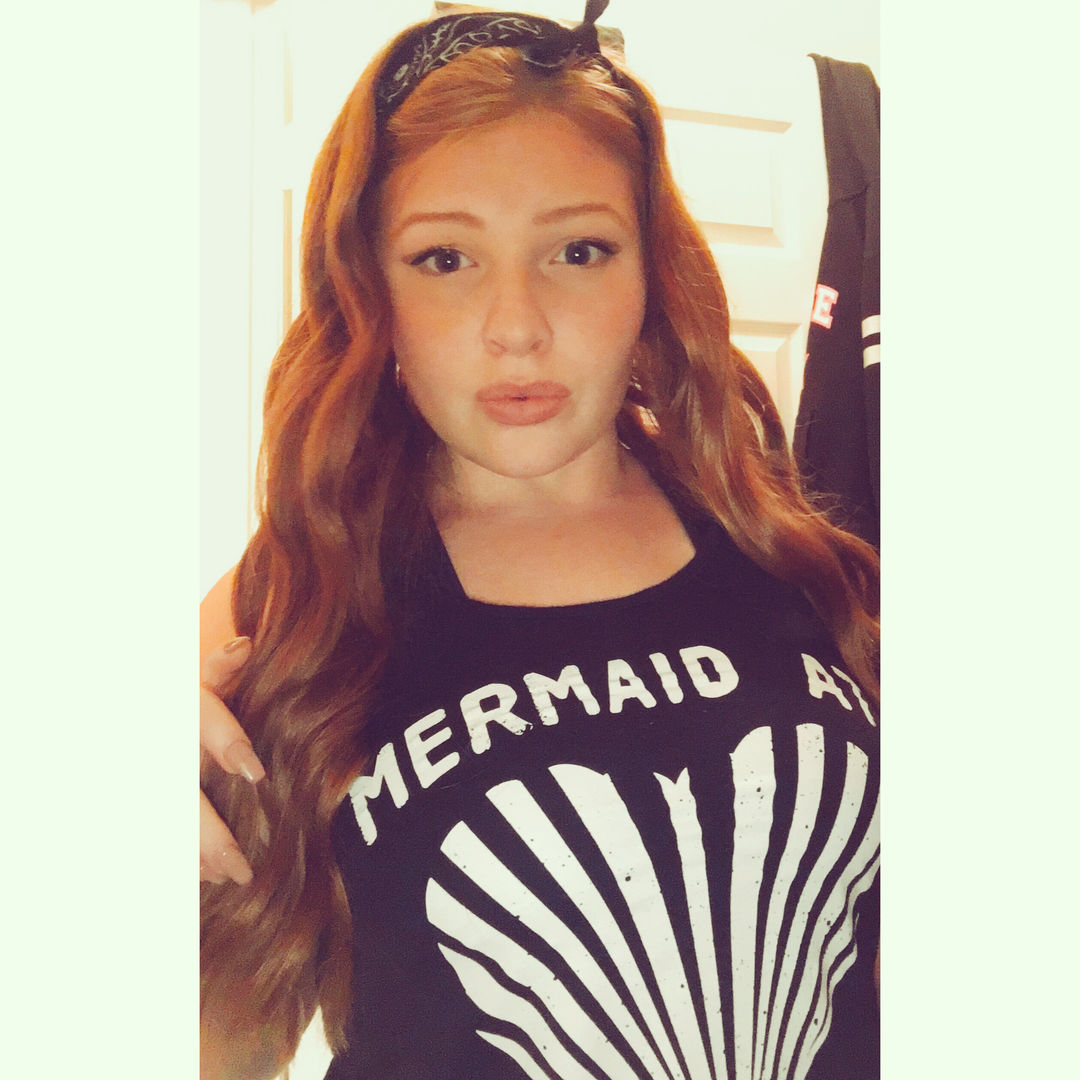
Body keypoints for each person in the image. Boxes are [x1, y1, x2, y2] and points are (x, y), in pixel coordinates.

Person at [200, 3, 881, 1078]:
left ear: (650, 275)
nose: (516, 325)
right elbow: (218, 1031)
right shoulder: (300, 597)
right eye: (444, 258)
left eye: (578, 249)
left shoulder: (786, 551)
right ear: (369, 288)